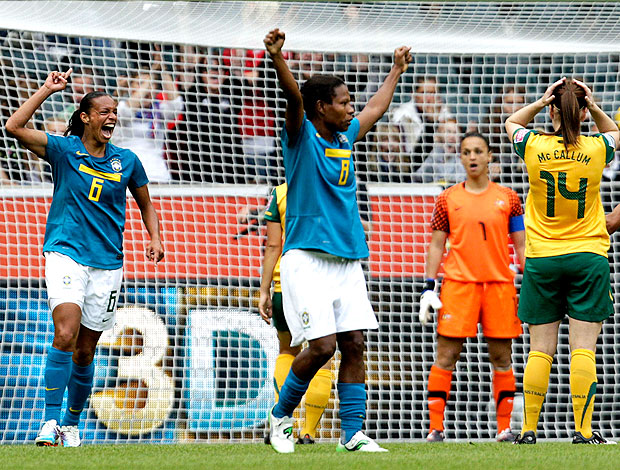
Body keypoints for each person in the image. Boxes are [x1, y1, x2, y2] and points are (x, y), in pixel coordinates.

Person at [263, 28, 411, 454]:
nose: (350, 108)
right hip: (306, 259)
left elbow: (376, 108)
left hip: (346, 260)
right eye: (343, 102)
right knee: (322, 347)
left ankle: (352, 435)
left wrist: (396, 71)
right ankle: (279, 419)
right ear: (320, 108)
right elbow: (294, 98)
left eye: (350, 102)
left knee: (354, 344)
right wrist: (277, 58)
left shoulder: (345, 139)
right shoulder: (301, 136)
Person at [5, 69, 164, 447]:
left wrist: (155, 237)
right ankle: (48, 422)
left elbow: (146, 204)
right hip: (66, 253)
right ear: (86, 117)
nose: (112, 117)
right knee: (65, 332)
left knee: (86, 348)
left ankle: (71, 425)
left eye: (115, 113)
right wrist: (46, 89)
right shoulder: (63, 150)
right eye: (105, 111)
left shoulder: (127, 160)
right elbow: (13, 126)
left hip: (108, 262)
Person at [505, 77, 619, 445]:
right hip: (588, 256)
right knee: (583, 348)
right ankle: (583, 431)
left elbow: (511, 124)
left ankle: (527, 430)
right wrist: (595, 106)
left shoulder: (534, 145)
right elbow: (616, 132)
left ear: (552, 110)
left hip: (543, 258)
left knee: (540, 348)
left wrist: (539, 102)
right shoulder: (597, 147)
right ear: (583, 112)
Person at [418, 132, 525, 443]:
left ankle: (504, 429)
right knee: (446, 355)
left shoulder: (509, 198)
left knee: (502, 357)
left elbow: (521, 247)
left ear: (490, 156)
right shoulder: (447, 198)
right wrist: (429, 287)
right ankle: (435, 428)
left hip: (499, 286)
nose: (473, 157)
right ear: (460, 157)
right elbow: (436, 246)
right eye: (467, 152)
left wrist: (530, 280)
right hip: (458, 286)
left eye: (479, 151)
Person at [259, 182, 333, 445]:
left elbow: (272, 246)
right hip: (321, 278)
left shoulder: (280, 193)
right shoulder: (329, 184)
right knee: (323, 354)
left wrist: (264, 289)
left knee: (287, 351)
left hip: (284, 282)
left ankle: (283, 424)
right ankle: (309, 431)